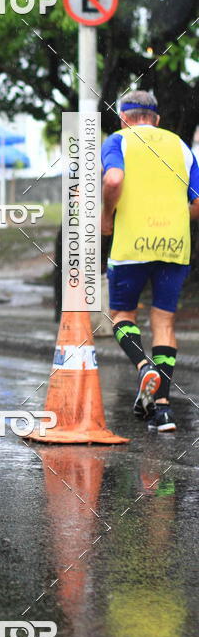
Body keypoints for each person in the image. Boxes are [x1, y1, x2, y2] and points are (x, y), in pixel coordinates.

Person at [101, 90, 199, 431]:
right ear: (155, 118)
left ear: (124, 117)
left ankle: (144, 367)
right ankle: (163, 411)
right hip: (174, 244)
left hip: (132, 245)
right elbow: (197, 203)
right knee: (164, 321)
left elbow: (113, 179)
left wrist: (107, 215)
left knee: (122, 316)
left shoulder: (117, 140)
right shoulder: (180, 145)